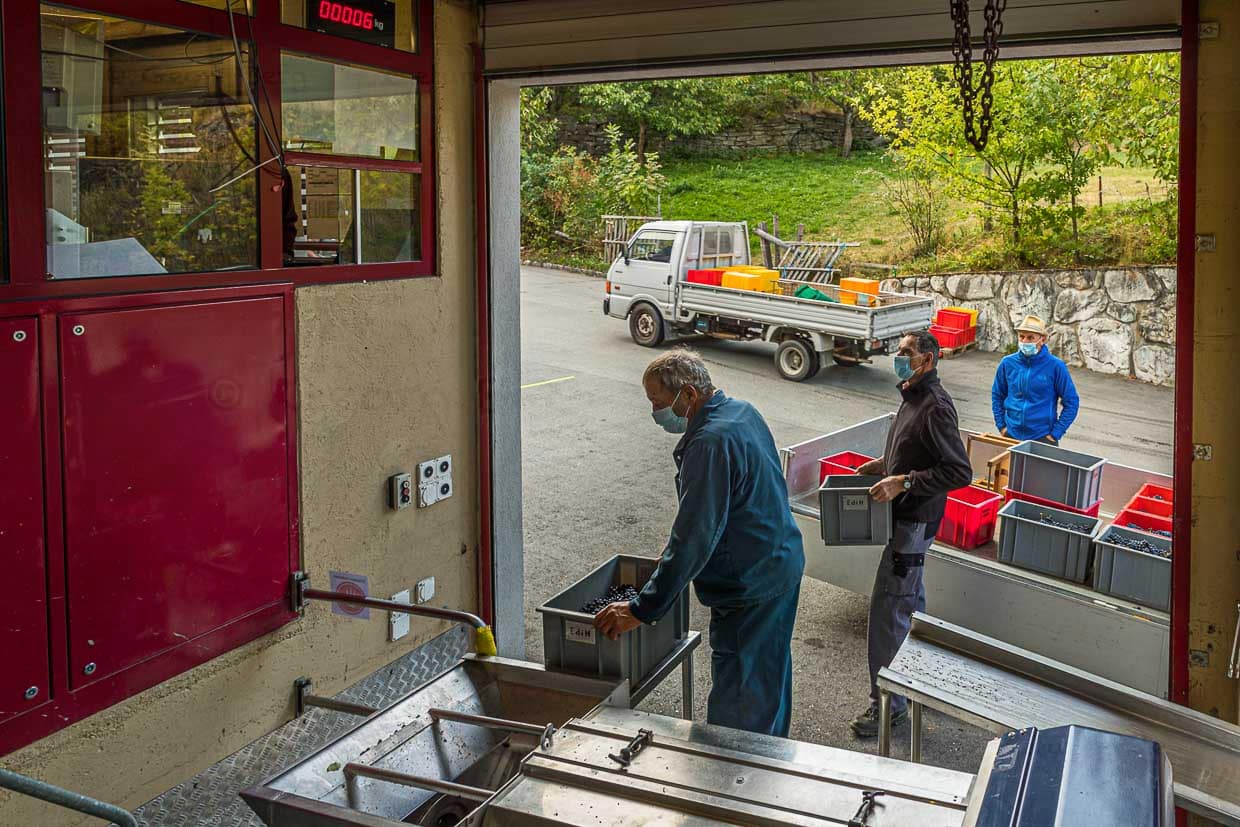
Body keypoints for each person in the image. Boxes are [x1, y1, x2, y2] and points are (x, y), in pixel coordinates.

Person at [594, 349, 805, 737]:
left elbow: (696, 534)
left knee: (740, 699)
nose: (655, 412)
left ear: (688, 395)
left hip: (750, 584)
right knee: (767, 677)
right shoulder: (742, 411)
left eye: (658, 402)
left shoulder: (709, 442)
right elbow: (725, 507)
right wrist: (671, 560)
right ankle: (770, 766)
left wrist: (642, 608)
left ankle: (734, 783)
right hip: (779, 562)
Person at [851, 331, 972, 738]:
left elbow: (958, 471)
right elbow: (916, 449)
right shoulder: (913, 395)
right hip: (906, 517)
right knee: (910, 607)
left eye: (907, 353)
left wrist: (902, 481)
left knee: (888, 612)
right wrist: (884, 465)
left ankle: (888, 705)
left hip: (912, 523)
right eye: (899, 351)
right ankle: (914, 685)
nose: (898, 358)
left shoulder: (935, 406)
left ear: (929, 360)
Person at [991, 314, 1080, 444]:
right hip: (1010, 434)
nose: (1025, 341)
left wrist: (1055, 434)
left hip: (1042, 437)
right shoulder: (1007, 363)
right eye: (1022, 336)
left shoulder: (1056, 366)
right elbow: (997, 395)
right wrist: (1002, 426)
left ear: (1042, 339)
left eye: (1030, 337)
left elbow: (1072, 401)